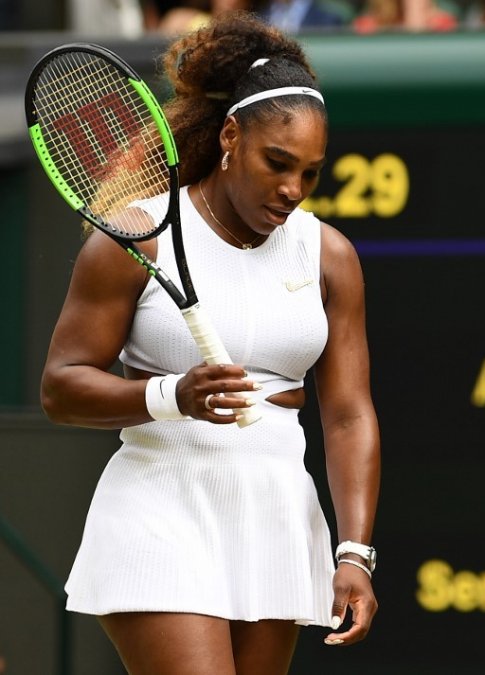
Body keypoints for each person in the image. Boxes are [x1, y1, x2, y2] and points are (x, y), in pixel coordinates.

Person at [39, 11, 380, 673]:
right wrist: (173, 395)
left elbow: (347, 413)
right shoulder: (137, 238)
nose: (291, 190)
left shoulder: (330, 256)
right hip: (160, 509)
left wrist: (354, 552)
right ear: (231, 136)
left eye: (309, 174)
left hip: (278, 517)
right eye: (276, 163)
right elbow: (61, 386)